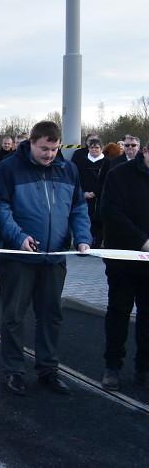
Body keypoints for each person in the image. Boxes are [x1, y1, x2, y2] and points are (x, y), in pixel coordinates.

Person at [0, 121, 91, 396]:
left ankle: (48, 369)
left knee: (51, 315)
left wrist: (83, 238)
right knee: (14, 316)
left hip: (54, 256)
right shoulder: (9, 168)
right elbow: (1, 207)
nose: (49, 154)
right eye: (44, 148)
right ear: (32, 143)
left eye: (54, 148)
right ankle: (14, 370)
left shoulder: (68, 170)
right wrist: (18, 237)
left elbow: (78, 208)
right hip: (18, 258)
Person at [99, 138, 149, 391]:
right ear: (146, 152)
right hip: (123, 260)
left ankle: (143, 368)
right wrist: (143, 242)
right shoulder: (119, 174)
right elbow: (111, 211)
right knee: (118, 313)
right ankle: (112, 366)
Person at [78, 137, 111, 248]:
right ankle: (86, 242)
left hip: (100, 197)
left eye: (97, 147)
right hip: (84, 196)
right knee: (86, 219)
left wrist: (96, 192)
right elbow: (78, 178)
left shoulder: (107, 162)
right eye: (92, 148)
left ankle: (97, 242)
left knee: (99, 220)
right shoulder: (82, 161)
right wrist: (83, 192)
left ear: (101, 149)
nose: (94, 150)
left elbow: (107, 180)